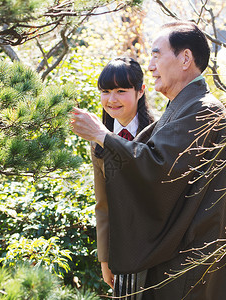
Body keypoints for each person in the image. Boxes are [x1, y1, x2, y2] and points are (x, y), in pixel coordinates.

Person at [71, 21, 226, 299]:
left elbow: (160, 170)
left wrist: (104, 136)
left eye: (156, 55)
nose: (150, 66)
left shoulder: (203, 110)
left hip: (188, 260)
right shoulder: (184, 107)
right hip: (177, 258)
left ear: (185, 58)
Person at [91, 57, 155, 297]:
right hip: (120, 249)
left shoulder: (158, 133)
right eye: (105, 91)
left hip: (155, 246)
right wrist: (105, 258)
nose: (111, 99)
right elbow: (103, 204)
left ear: (140, 91)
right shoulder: (98, 141)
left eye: (121, 90)